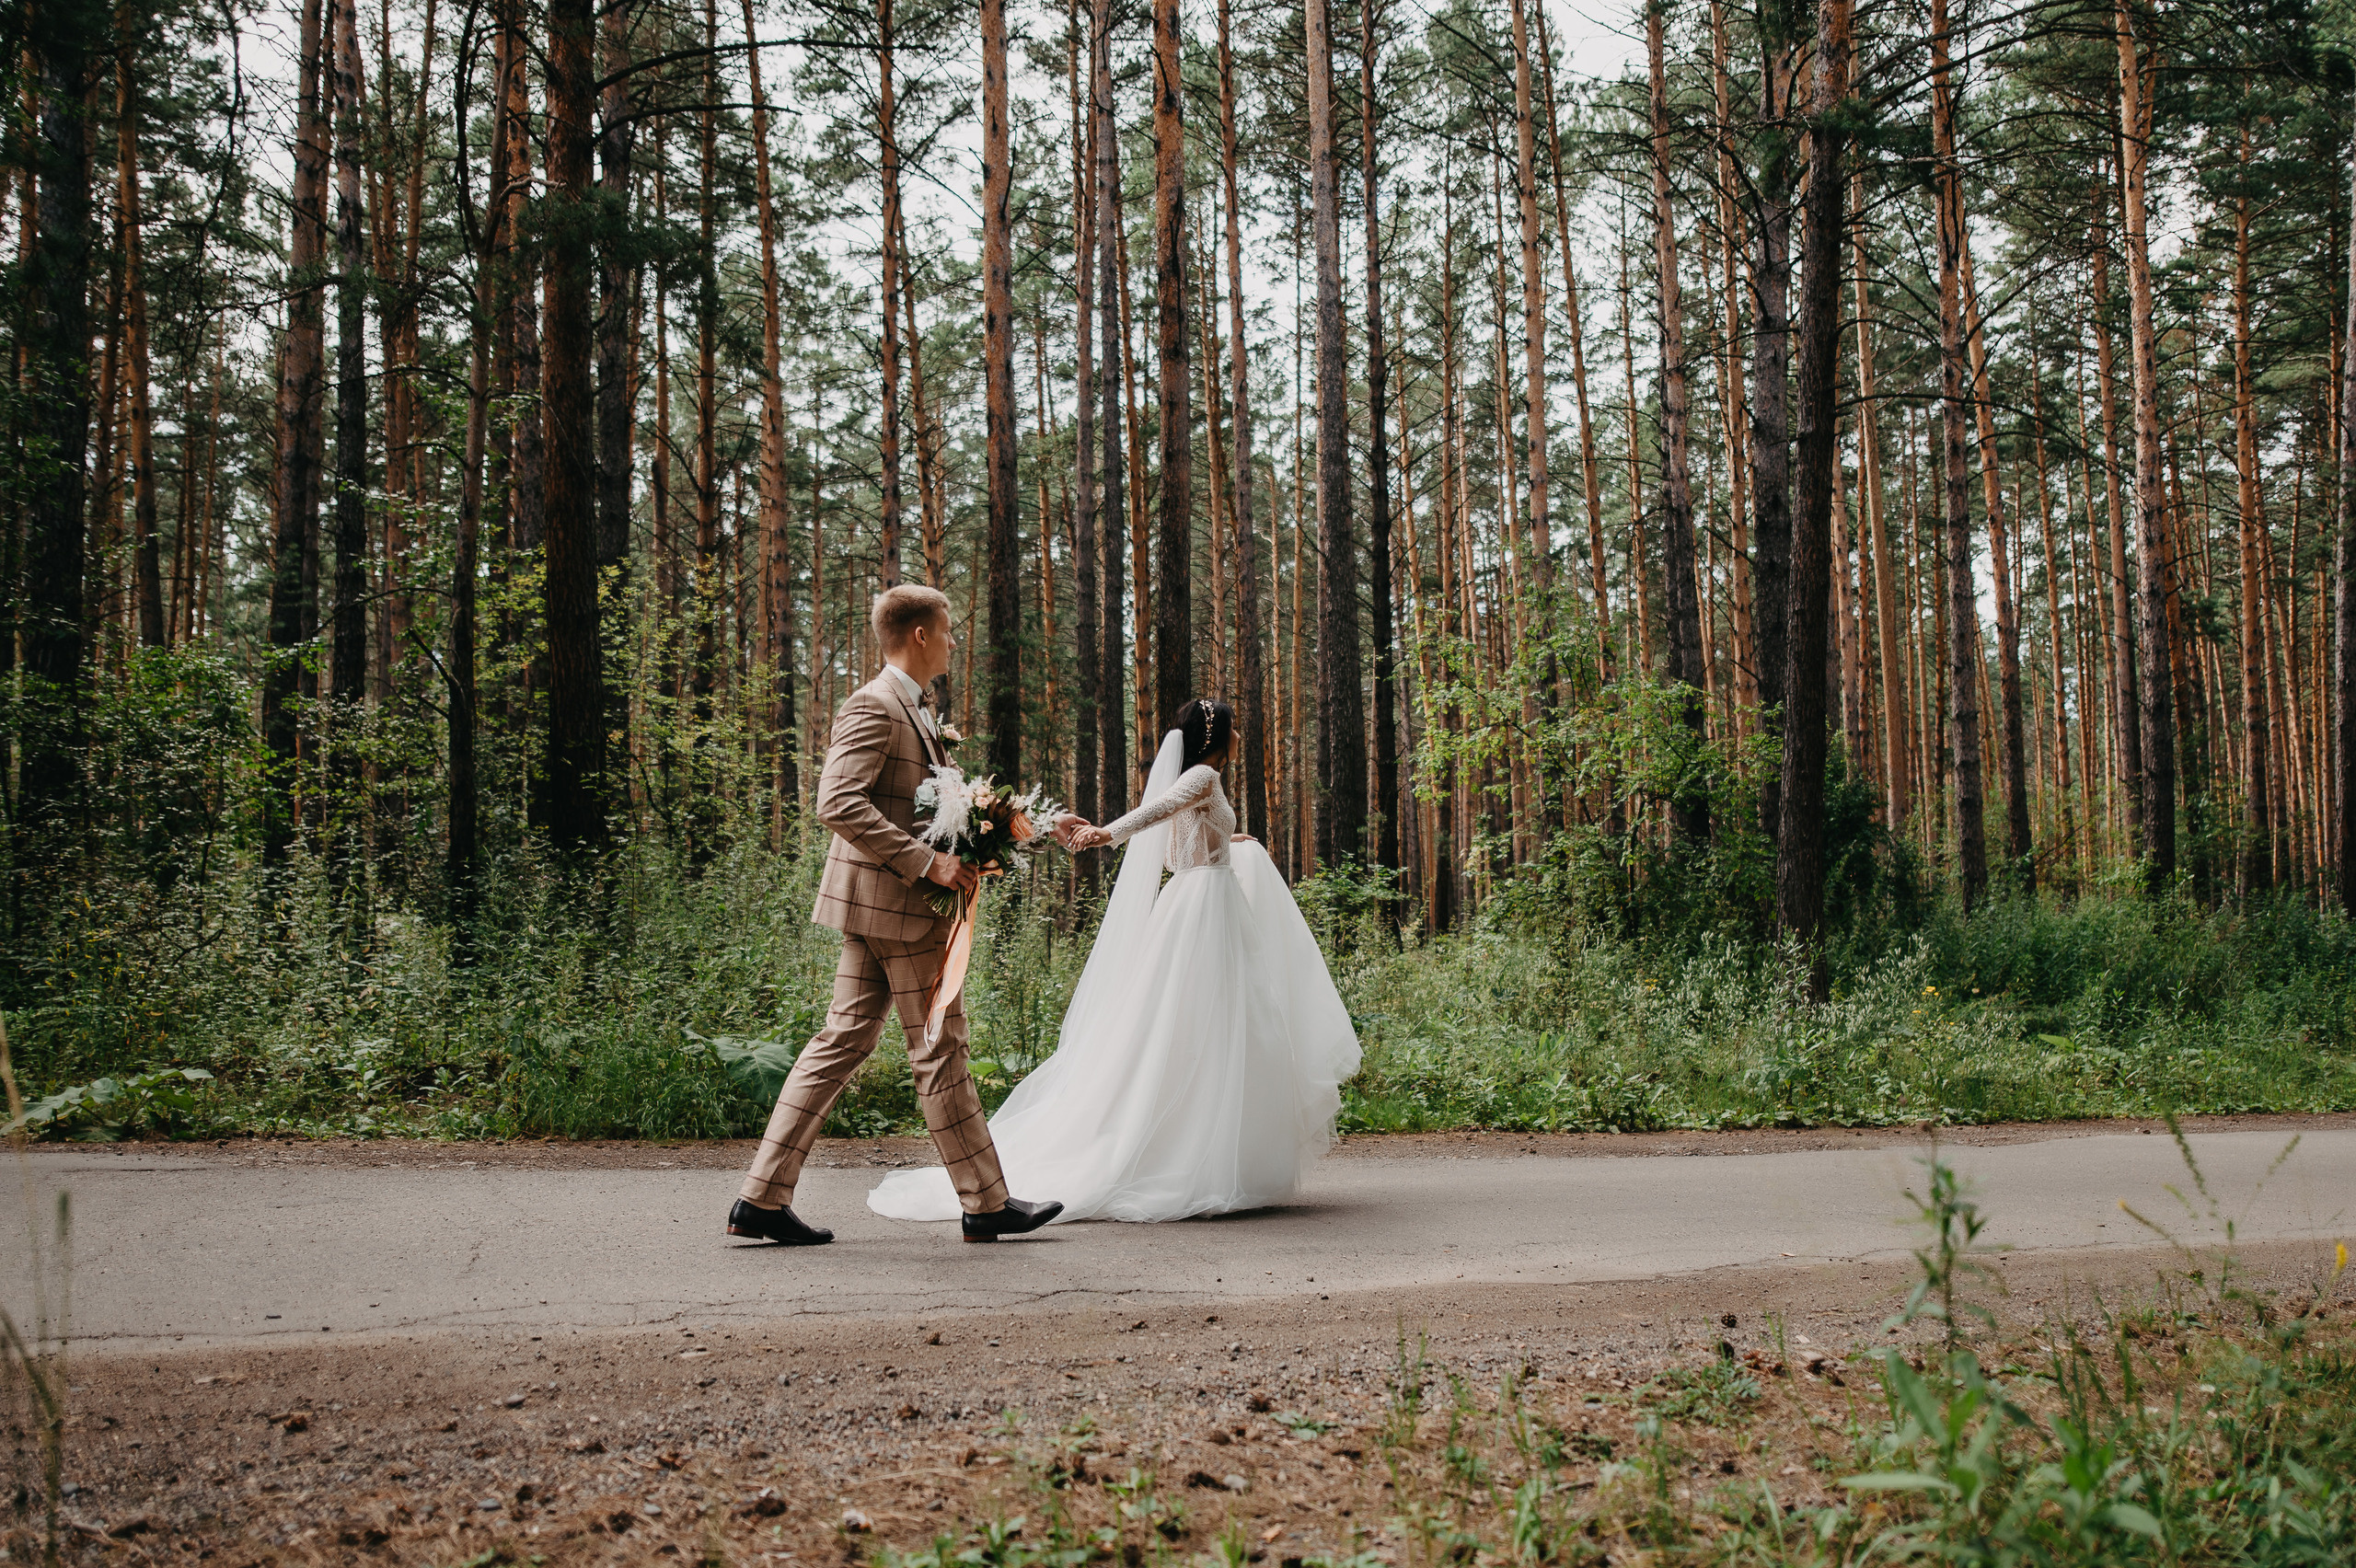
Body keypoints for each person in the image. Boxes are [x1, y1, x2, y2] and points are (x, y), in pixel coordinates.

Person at [867, 698, 1360, 1225]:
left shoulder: (1202, 781)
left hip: (1200, 902)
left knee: (1211, 1022)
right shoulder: (1202, 776)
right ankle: (1201, 1157)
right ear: (1217, 736)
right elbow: (1158, 811)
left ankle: (1215, 1153)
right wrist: (1108, 832)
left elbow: (1174, 851)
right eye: (1234, 728)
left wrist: (1225, 841)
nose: (1239, 736)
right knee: (1212, 1021)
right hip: (1206, 912)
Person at [727, 584, 1063, 1246]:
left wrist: (1026, 824)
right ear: (919, 636)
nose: (953, 641)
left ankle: (760, 1199)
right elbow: (837, 802)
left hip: (878, 908)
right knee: (940, 1048)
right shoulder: (875, 705)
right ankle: (986, 1203)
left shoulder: (915, 708)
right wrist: (927, 863)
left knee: (842, 1042)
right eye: (947, 630)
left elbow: (935, 804)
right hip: (900, 907)